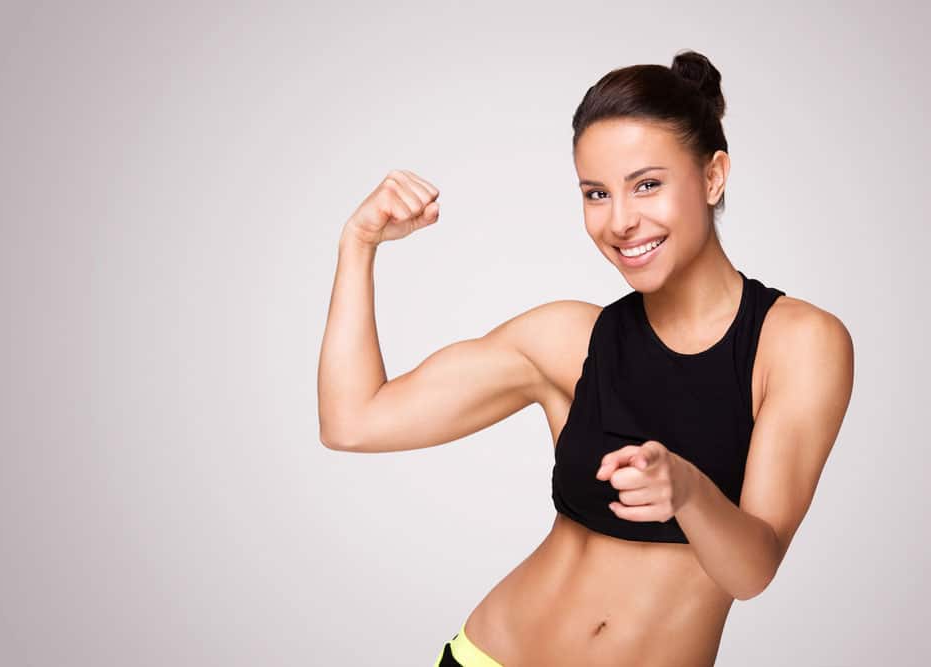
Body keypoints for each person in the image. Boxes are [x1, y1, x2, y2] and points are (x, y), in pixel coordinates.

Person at [317, 49, 854, 667]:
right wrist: (357, 247)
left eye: (647, 185)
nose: (620, 221)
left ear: (713, 176)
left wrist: (689, 492)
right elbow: (352, 422)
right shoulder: (567, 339)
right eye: (596, 193)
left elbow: (752, 571)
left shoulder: (797, 342)